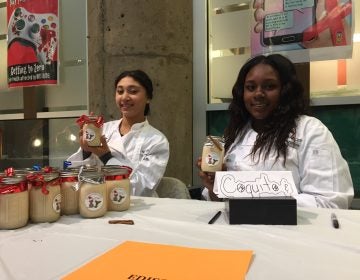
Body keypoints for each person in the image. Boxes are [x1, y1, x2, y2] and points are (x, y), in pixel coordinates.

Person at [198, 54, 354, 208]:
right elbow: (220, 201)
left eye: (269, 86)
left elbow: (330, 200)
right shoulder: (236, 133)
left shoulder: (310, 130)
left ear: (286, 91)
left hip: (291, 230)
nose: (258, 94)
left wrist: (255, 200)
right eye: (251, 87)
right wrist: (216, 186)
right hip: (236, 227)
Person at [67, 70, 170, 197]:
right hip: (98, 199)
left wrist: (106, 157)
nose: (125, 97)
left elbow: (141, 189)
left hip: (138, 208)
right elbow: (75, 175)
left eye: (133, 91)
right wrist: (86, 151)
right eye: (120, 91)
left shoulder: (157, 140)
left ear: (148, 97)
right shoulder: (103, 129)